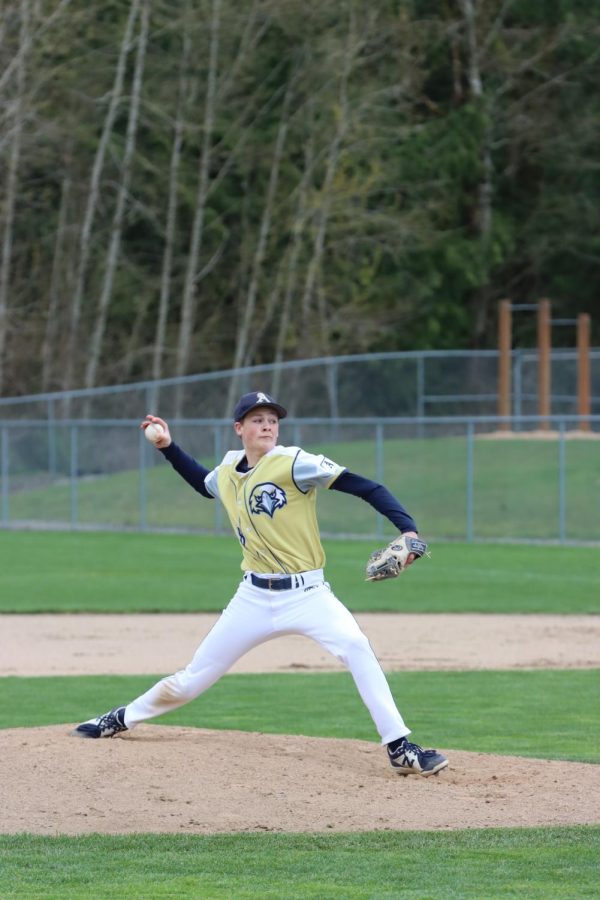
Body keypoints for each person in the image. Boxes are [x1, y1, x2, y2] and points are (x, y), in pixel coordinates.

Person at [72, 391, 448, 777]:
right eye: (256, 419)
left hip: (308, 594)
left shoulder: (294, 462)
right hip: (252, 596)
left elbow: (367, 487)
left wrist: (408, 529)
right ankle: (121, 718)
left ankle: (400, 748)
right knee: (191, 680)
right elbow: (204, 483)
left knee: (355, 646)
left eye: (272, 419)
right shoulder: (229, 469)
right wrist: (169, 447)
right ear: (239, 429)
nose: (267, 425)